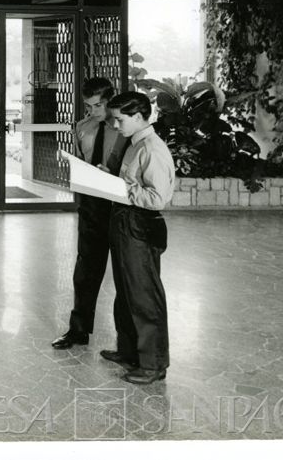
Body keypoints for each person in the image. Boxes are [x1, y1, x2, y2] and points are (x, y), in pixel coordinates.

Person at [100, 91, 175, 384]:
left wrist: (122, 188)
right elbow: (131, 183)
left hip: (140, 226)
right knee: (126, 291)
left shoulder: (153, 149)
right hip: (125, 222)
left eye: (120, 120)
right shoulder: (134, 144)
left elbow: (157, 198)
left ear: (138, 116)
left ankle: (153, 364)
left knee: (144, 296)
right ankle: (130, 351)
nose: (116, 126)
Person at [51, 77, 129, 349]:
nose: (93, 111)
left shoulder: (125, 128)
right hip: (91, 207)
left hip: (120, 207)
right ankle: (78, 331)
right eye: (88, 105)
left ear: (110, 100)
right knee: (85, 271)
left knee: (124, 275)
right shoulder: (82, 128)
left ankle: (126, 341)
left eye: (98, 105)